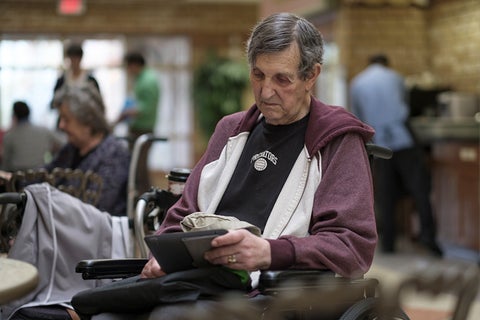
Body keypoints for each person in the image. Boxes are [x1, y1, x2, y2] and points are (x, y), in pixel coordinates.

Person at [83, 12, 378, 320]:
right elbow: (183, 211)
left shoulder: (337, 141)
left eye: (282, 79)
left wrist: (269, 252)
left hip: (272, 294)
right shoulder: (232, 130)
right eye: (258, 75)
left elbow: (351, 245)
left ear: (312, 76)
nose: (265, 92)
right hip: (199, 281)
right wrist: (162, 254)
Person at [350, 53, 442, 256]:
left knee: (385, 196)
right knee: (420, 191)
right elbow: (407, 107)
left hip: (380, 145)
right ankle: (428, 239)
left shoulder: (357, 83)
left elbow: (358, 118)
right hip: (404, 140)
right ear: (386, 63)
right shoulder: (397, 78)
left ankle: (388, 243)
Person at [116, 51, 160, 195]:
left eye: (128, 66)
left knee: (139, 169)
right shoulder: (141, 79)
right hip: (137, 128)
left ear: (134, 65)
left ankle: (146, 200)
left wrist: (126, 113)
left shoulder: (148, 81)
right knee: (136, 167)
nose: (127, 70)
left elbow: (147, 107)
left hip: (143, 130)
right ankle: (140, 198)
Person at [1, 101, 64, 172]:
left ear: (14, 115)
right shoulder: (43, 131)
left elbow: (5, 165)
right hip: (39, 174)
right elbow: (64, 142)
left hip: (17, 175)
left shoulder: (10, 135)